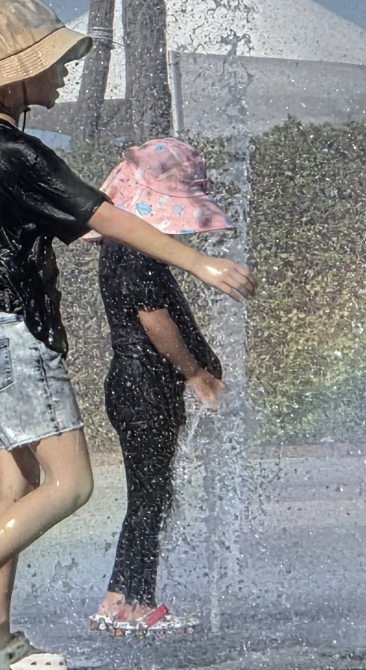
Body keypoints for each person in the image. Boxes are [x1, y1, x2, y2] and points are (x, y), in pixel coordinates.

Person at [0, 0, 256, 670]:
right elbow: (114, 217)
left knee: (14, 487)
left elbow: (63, 223)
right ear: (13, 75)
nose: (62, 71)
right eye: (50, 61)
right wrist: (199, 261)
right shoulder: (15, 149)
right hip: (14, 334)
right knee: (73, 486)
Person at [87, 138, 228, 635]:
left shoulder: (125, 241)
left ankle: (122, 599)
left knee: (150, 495)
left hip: (137, 385)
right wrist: (194, 373)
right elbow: (153, 317)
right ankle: (129, 601)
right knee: (149, 496)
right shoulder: (134, 247)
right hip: (143, 385)